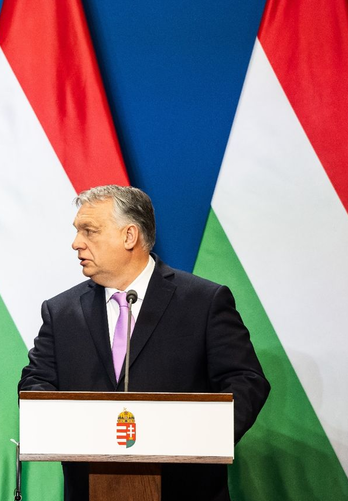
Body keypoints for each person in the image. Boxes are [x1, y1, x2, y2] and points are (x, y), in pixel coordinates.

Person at [19, 185, 270, 501]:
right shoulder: (61, 312)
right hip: (90, 490)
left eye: (89, 231)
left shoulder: (203, 302)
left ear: (129, 236)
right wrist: (68, 423)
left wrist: (203, 439)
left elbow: (247, 381)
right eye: (77, 231)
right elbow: (35, 383)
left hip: (187, 489)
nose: (76, 243)